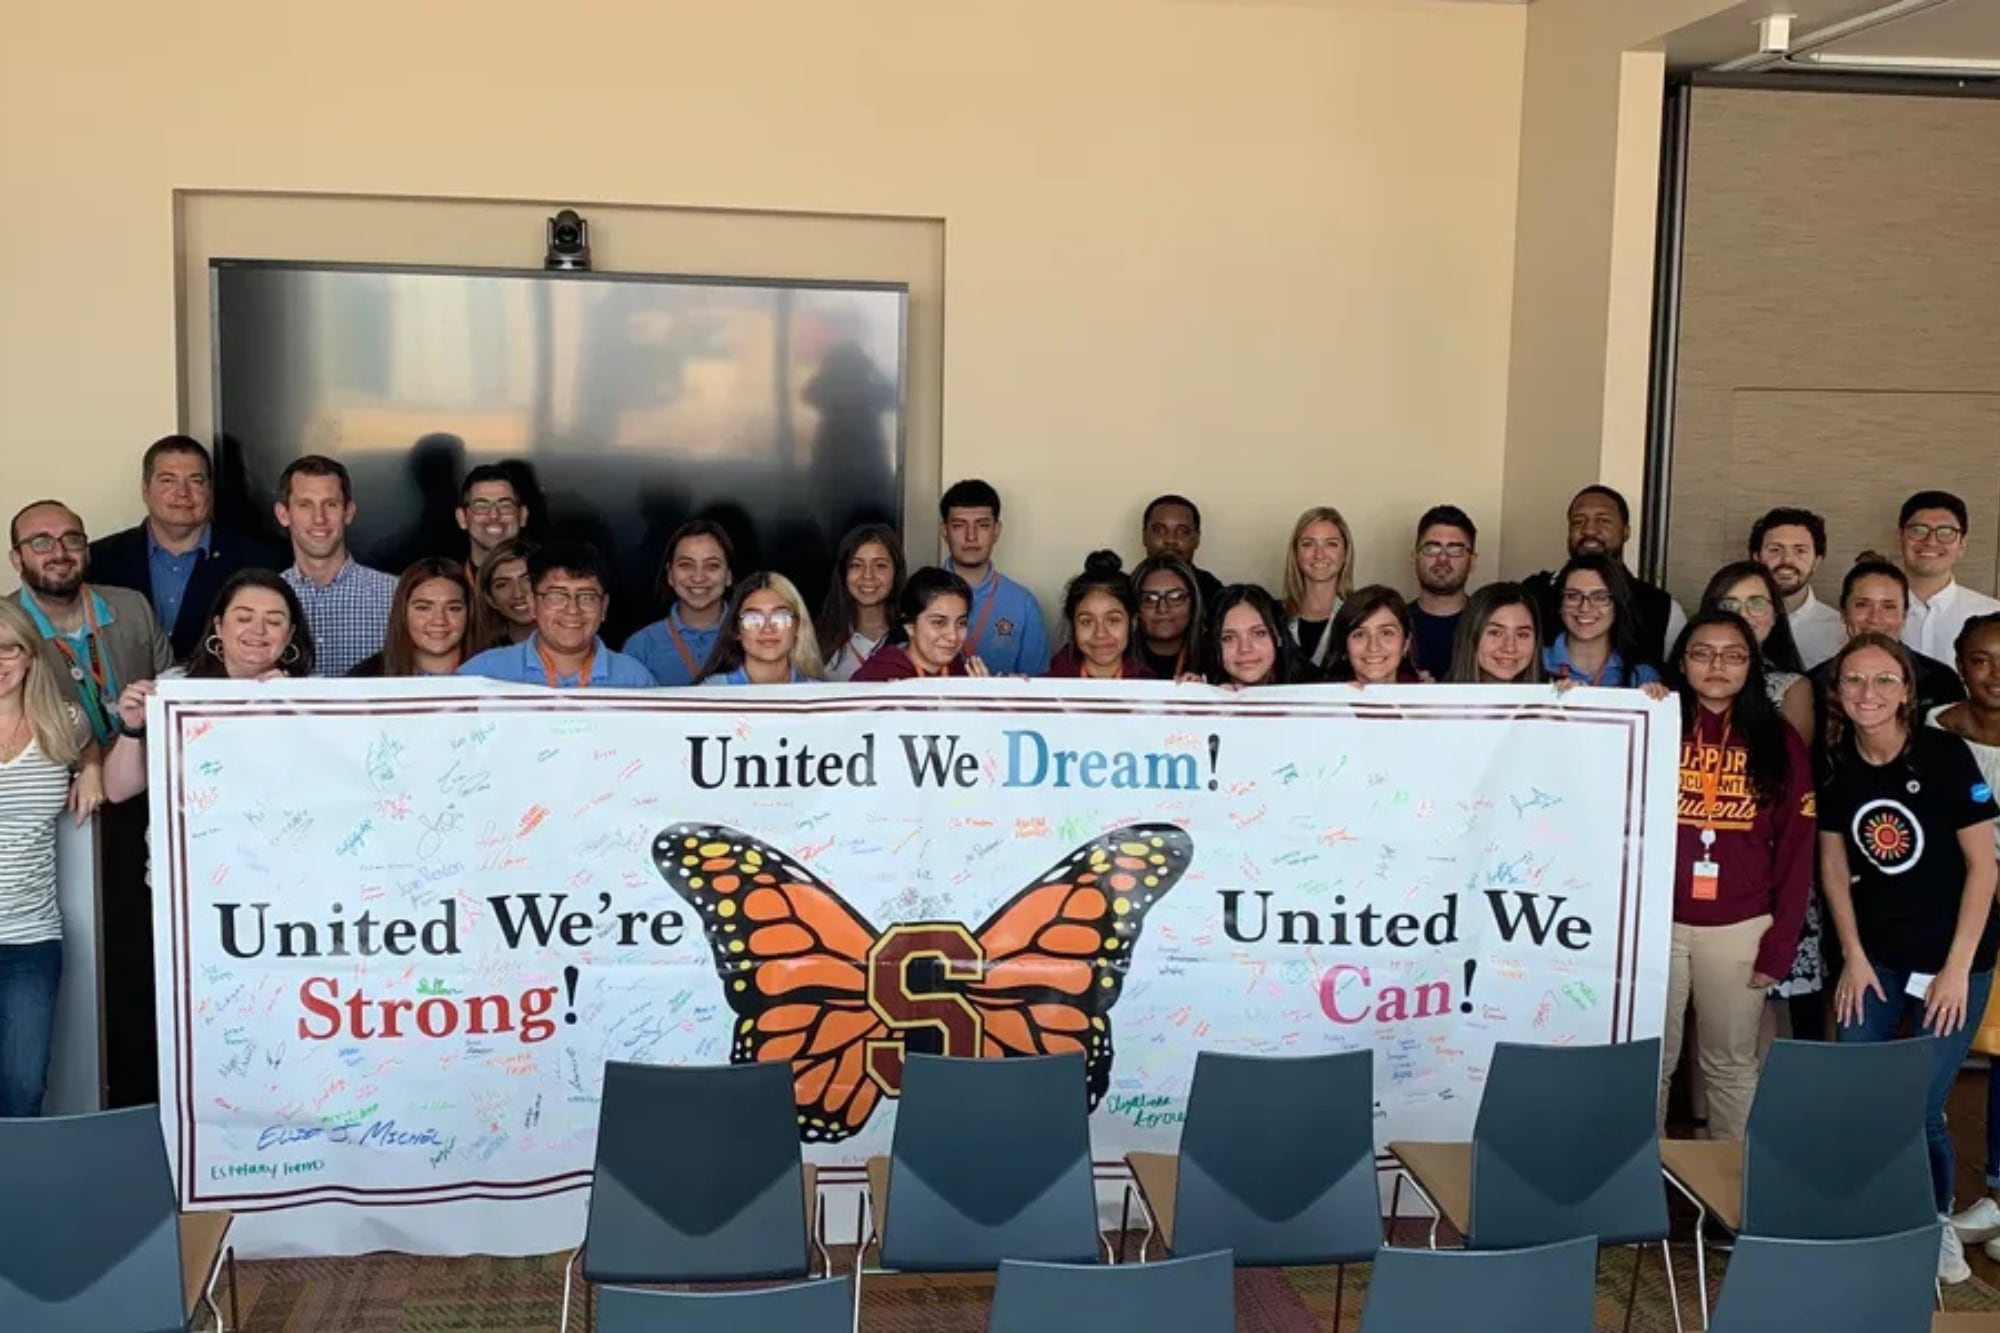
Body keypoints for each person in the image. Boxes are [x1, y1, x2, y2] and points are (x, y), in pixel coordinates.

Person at [1818, 631, 1999, 1284]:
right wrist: (1854, 958)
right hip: (1879, 958)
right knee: (1861, 1089)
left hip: (1955, 959)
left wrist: (1956, 968)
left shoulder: (1946, 755)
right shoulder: (1838, 762)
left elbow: (1984, 869)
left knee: (1920, 1103)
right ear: (1838, 690)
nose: (1869, 692)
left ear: (1906, 691)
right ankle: (1866, 1215)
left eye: (1884, 680)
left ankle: (1935, 1220)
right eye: (1855, 680)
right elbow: (1834, 869)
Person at [1656, 611, 1815, 1142]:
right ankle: (1631, 1200)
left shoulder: (1779, 741)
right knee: (1648, 1069)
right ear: (1682, 661)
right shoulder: (1657, 722)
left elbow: (1798, 851)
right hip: (1654, 924)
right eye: (1702, 653)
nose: (1717, 665)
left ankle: (1732, 1201)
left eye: (1733, 654)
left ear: (1752, 665)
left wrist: (1781, 945)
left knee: (1729, 1065)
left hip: (1741, 925)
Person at [0, 602, 106, 1116]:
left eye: (9, 649)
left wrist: (89, 767)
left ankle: (13, 1194)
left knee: (23, 1088)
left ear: (28, 657)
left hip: (30, 941)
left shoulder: (61, 723)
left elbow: (91, 745)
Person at [102, 570, 322, 794]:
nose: (258, 630)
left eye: (274, 622)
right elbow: (118, 791)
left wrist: (293, 707)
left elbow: (326, 784)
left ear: (290, 634)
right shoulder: (176, 687)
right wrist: (132, 728)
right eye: (244, 618)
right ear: (219, 625)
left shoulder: (318, 696)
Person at [1931, 616, 2000, 1257]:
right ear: (1959, 663)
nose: (1996, 674)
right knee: (1941, 1065)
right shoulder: (1932, 732)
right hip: (1950, 918)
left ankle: (1999, 1196)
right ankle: (1936, 1207)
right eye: (1981, 660)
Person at [87, 435, 279, 660]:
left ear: (210, 489)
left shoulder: (259, 561)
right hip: (125, 693)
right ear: (145, 489)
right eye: (168, 480)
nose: (183, 493)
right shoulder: (99, 560)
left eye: (196, 481)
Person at [8, 501, 173, 745]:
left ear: (86, 550)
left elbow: (172, 687)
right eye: (41, 543)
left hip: (143, 765)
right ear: (17, 559)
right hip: (55, 776)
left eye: (72, 539)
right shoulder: (6, 628)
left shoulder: (133, 607)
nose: (60, 553)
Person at [1523, 485, 1686, 668]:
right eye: (1578, 521)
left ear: (1626, 531)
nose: (1589, 531)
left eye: (1603, 521)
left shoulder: (1663, 608)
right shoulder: (1532, 595)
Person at [1808, 559, 1965, 748]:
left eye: (1889, 606)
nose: (1875, 619)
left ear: (1905, 615)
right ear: (1843, 612)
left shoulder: (1940, 680)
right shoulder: (1813, 684)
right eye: (1862, 605)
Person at [459, 540, 656, 689]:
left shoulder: (634, 679)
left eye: (586, 597)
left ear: (604, 607)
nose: (572, 609)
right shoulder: (484, 673)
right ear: (533, 603)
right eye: (557, 596)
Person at [274, 455, 395, 677]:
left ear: (348, 512)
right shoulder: (265, 601)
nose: (319, 518)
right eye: (305, 505)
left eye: (331, 504)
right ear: (283, 514)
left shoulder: (394, 596)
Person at [940, 479, 1048, 675]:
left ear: (996, 530)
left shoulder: (1023, 605)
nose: (971, 536)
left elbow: (1037, 687)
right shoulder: (919, 595)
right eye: (959, 525)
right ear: (944, 531)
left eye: (982, 525)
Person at [624, 520, 735, 686]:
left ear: (728, 575)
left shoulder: (755, 637)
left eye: (712, 566)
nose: (698, 577)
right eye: (686, 565)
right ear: (670, 575)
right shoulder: (641, 647)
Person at [1899, 490, 2000, 665]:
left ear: (1962, 544)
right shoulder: (1871, 615)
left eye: (1946, 532)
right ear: (1900, 538)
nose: (1931, 541)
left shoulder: (1992, 615)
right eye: (1918, 530)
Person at [1542, 554, 1662, 688]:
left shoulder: (1640, 676)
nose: (1584, 607)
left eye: (1599, 597)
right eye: (1573, 596)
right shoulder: (1534, 662)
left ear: (1617, 605)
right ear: (1559, 604)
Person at [851, 567, 992, 681]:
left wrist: (983, 704)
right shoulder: (875, 678)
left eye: (961, 623)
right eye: (938, 622)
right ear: (910, 626)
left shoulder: (965, 675)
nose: (953, 636)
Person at [1750, 507, 1844, 670]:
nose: (1787, 559)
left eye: (1800, 550)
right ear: (1756, 558)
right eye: (1775, 550)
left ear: (1817, 561)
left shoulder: (1840, 631)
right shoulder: (1734, 620)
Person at [347, 559, 473, 677]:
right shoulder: (364, 678)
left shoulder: (491, 672)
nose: (439, 620)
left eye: (453, 608)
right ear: (403, 612)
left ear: (469, 612)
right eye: (423, 608)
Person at [696, 574, 826, 685]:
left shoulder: (820, 695)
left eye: (780, 616)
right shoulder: (710, 692)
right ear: (736, 630)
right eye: (753, 618)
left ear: (797, 626)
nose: (768, 628)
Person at [816, 524, 904, 681]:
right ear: (843, 573)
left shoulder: (913, 636)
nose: (868, 575)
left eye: (880, 565)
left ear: (896, 572)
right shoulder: (817, 639)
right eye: (856, 565)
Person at [1044, 552, 1151, 680]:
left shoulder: (1154, 689)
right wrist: (1015, 688)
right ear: (1073, 624)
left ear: (1133, 622)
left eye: (1113, 620)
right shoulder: (1047, 688)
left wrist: (1181, 690)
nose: (1100, 633)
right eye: (1086, 622)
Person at [1279, 507, 1353, 672]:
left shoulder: (1360, 616)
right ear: (1296, 553)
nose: (1319, 554)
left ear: (1345, 553)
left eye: (1331, 544)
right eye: (1308, 544)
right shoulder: (1275, 617)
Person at [1410, 506, 1476, 681]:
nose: (1442, 559)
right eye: (1432, 548)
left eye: (1455, 550)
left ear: (1473, 561)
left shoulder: (1489, 625)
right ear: (1414, 557)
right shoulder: (1393, 625)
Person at [1198, 585, 1303, 689]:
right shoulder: (1200, 689)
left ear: (1279, 636)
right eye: (1228, 638)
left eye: (1259, 633)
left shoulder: (1314, 690)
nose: (1245, 648)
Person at [1446, 583, 1547, 685]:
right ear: (1471, 634)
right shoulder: (1437, 698)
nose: (1510, 648)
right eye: (1496, 633)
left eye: (1522, 635)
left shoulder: (1554, 697)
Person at [1323, 585, 1424, 686]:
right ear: (1344, 646)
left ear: (1406, 643)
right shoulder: (1319, 699)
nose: (1373, 647)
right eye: (1360, 635)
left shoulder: (1428, 698)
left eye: (1386, 633)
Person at [1140, 495, 1224, 606]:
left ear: (1197, 539)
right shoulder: (1126, 590)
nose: (1170, 540)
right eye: (1159, 530)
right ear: (1144, 536)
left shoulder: (1214, 593)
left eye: (1182, 532)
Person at [1131, 556, 1204, 683]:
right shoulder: (1115, 659)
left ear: (1193, 603)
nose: (1163, 608)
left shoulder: (1216, 658)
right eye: (1149, 598)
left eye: (1175, 596)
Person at [454, 464, 530, 577]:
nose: (494, 515)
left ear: (523, 516)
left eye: (505, 505)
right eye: (482, 506)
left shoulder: (544, 582)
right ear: (462, 518)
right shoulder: (448, 586)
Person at [472, 538, 537, 651]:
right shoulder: (483, 661)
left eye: (528, 579)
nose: (518, 593)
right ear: (490, 599)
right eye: (502, 584)